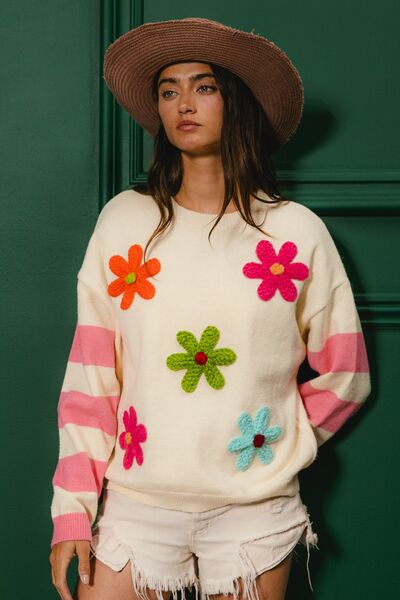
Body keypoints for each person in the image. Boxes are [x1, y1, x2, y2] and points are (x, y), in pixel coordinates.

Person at [48, 17, 371, 600]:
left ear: (236, 102)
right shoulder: (124, 224)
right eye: (168, 90)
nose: (184, 104)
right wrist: (72, 511)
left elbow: (347, 374)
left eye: (204, 87)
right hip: (137, 500)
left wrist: (278, 442)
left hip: (254, 507)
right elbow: (90, 382)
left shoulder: (295, 234)